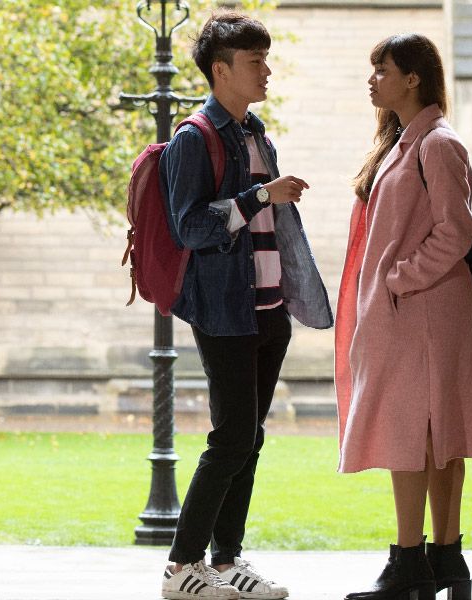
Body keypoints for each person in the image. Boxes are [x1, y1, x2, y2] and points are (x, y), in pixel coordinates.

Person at [157, 11, 334, 600]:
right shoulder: (193, 138)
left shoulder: (257, 134)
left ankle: (226, 560)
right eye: (254, 62)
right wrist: (260, 195)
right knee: (231, 437)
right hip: (224, 310)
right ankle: (183, 567)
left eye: (266, 59)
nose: (266, 71)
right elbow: (189, 227)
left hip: (268, 309)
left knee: (249, 438)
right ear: (221, 70)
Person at [333, 33, 472, 600]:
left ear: (413, 78)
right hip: (414, 310)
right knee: (430, 434)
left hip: (421, 309)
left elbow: (457, 228)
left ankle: (410, 561)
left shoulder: (437, 144)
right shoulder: (407, 141)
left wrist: (401, 278)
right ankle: (443, 559)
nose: (372, 79)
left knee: (416, 432)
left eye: (382, 69)